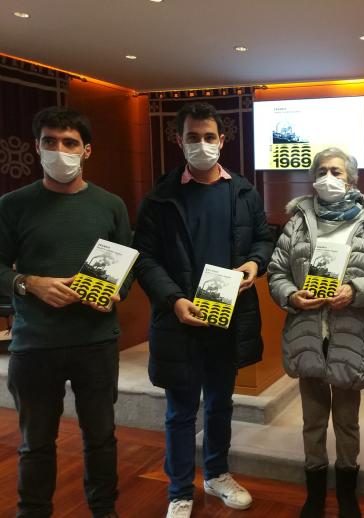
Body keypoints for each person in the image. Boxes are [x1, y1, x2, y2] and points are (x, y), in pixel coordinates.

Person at [132, 102, 274, 518]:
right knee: (179, 412)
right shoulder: (159, 198)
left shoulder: (244, 191)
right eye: (193, 137)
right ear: (179, 140)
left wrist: (254, 265)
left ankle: (215, 474)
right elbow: (144, 257)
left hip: (228, 323)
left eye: (209, 137)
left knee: (220, 405)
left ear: (222, 140)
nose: (202, 144)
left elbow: (263, 240)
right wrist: (174, 300)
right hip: (179, 322)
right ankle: (179, 489)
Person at [0, 106, 132, 518]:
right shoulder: (12, 204)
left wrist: (114, 294)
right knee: (35, 443)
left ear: (86, 150)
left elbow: (126, 266)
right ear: (37, 148)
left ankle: (103, 511)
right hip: (35, 344)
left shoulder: (111, 205)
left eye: (70, 143)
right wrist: (28, 283)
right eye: (50, 142)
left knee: (101, 438)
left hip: (96, 342)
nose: (60, 151)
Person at [267, 147, 364, 518]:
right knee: (311, 422)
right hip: (305, 335)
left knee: (346, 422)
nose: (329, 177)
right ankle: (314, 493)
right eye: (323, 170)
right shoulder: (297, 222)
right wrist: (291, 295)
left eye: (337, 172)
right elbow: (276, 272)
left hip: (351, 337)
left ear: (352, 179)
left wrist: (356, 290)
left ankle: (346, 493)